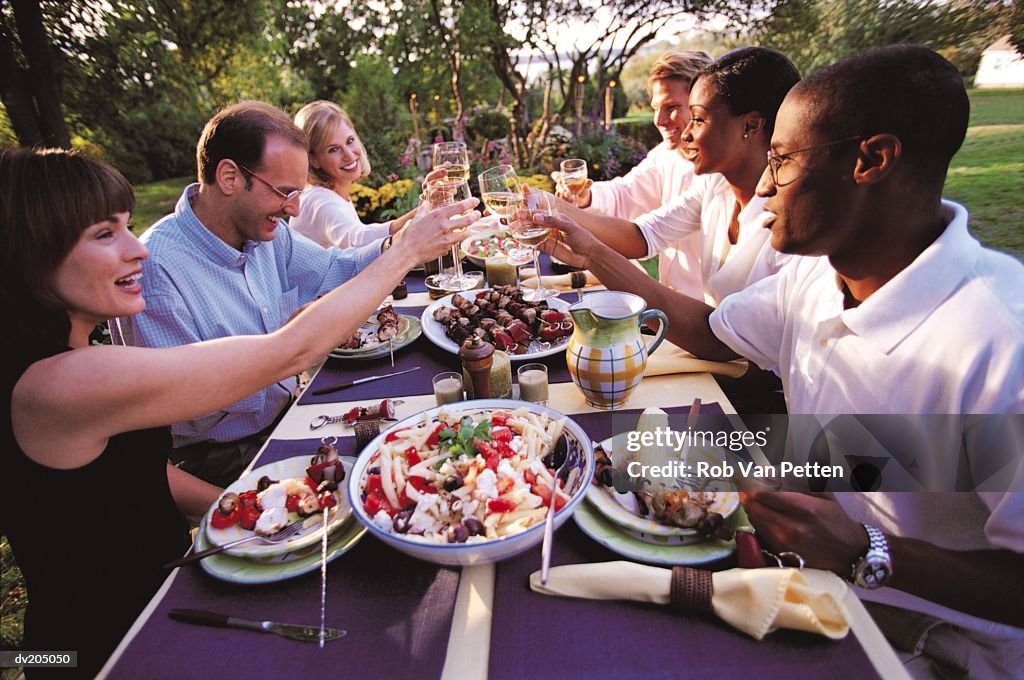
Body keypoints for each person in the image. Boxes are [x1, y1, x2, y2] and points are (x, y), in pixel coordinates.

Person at [540, 45, 1024, 677]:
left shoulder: (1000, 342)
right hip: (803, 581)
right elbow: (714, 332)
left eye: (783, 160)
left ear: (872, 160)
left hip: (929, 642)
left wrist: (864, 548)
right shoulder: (818, 278)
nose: (764, 185)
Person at [0, 147, 472, 677]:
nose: (140, 250)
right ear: (33, 253)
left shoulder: (68, 359)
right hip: (103, 646)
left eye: (129, 228)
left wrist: (243, 509)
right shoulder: (61, 384)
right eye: (105, 234)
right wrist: (404, 253)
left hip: (171, 586)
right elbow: (289, 351)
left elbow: (126, 471)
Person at [110, 100, 475, 487]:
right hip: (223, 457)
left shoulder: (265, 231)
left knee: (420, 440)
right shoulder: (157, 267)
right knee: (390, 476)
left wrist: (402, 239)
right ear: (230, 177)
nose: (295, 208)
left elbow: (336, 269)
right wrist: (404, 253)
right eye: (284, 192)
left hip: (288, 411)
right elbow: (192, 405)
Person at [552, 47, 799, 306]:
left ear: (750, 125)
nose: (682, 133)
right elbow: (643, 228)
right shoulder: (712, 182)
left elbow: (733, 331)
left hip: (701, 326)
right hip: (688, 320)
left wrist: (590, 252)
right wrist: (560, 207)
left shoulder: (785, 221)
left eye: (698, 118)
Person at [553, 51, 712, 299]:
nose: (659, 120)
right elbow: (626, 193)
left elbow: (645, 235)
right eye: (656, 108)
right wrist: (587, 196)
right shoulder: (664, 156)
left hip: (709, 314)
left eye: (671, 107)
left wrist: (552, 207)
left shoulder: (722, 175)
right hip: (670, 304)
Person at [290, 100, 421, 248]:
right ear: (313, 160)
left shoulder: (333, 194)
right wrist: (420, 213)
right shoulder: (319, 200)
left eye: (350, 141)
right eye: (333, 149)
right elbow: (357, 242)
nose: (349, 155)